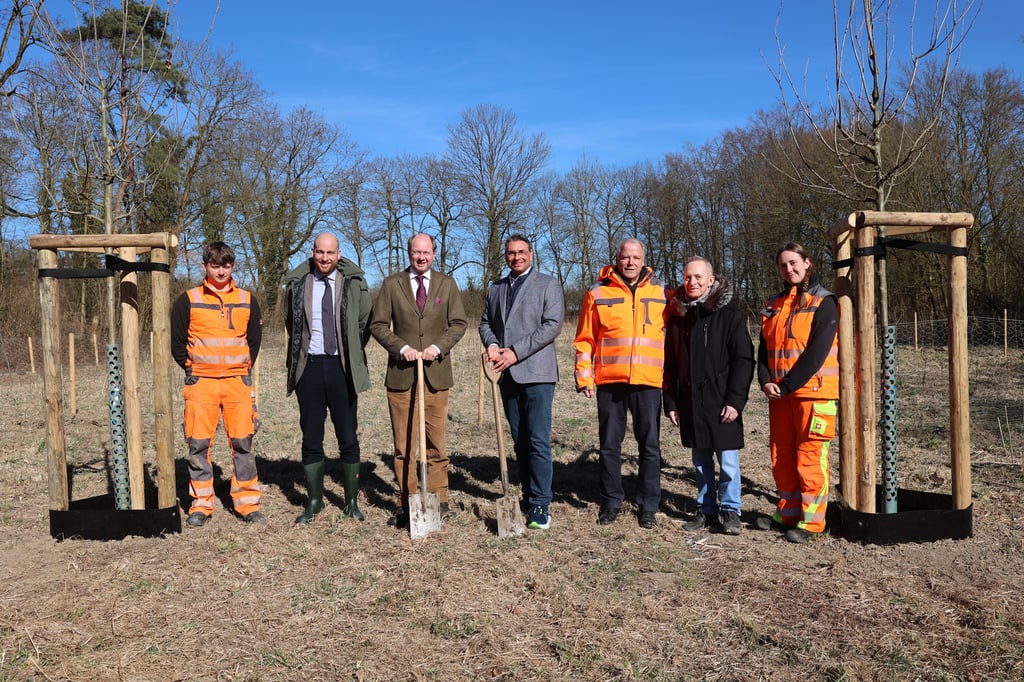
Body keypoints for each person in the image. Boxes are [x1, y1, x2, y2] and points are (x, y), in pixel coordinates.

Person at [370, 233, 468, 527]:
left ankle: (440, 499)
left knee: (436, 443)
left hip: (436, 374)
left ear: (434, 254)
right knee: (404, 446)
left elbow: (459, 323)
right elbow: (377, 324)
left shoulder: (447, 285)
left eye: (426, 252)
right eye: (416, 252)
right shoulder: (391, 285)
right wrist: (402, 348)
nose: (421, 257)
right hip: (402, 375)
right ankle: (406, 502)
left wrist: (437, 348)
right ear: (409, 253)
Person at [574, 238, 668, 529]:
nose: (630, 262)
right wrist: (584, 376)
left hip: (648, 382)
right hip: (610, 382)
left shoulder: (663, 292)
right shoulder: (597, 292)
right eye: (625, 257)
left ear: (644, 259)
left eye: (636, 257)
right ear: (617, 258)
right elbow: (585, 339)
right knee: (610, 446)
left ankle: (648, 505)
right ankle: (611, 501)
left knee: (650, 447)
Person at [171, 241, 265, 527]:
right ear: (205, 267)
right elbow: (176, 344)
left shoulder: (248, 300)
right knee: (198, 445)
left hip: (237, 382)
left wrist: (239, 367)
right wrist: (194, 368)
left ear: (232, 266)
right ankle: (201, 504)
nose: (221, 271)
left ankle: (248, 504)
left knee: (243, 444)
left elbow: (254, 342)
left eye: (226, 265)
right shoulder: (188, 299)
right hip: (201, 384)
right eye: (215, 265)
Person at [283, 232, 372, 524]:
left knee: (348, 435)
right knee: (311, 437)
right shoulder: (298, 283)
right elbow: (290, 321)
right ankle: (315, 501)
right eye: (320, 252)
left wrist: (350, 354)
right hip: (308, 368)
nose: (325, 258)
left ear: (339, 253)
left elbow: (364, 323)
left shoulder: (355, 284)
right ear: (312, 252)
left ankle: (351, 502)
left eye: (330, 253)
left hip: (341, 368)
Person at [479, 234, 565, 530]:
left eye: (521, 252)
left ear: (531, 253)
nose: (516, 257)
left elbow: (553, 325)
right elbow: (485, 322)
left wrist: (515, 352)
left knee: (538, 439)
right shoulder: (497, 288)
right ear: (506, 257)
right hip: (506, 374)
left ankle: (541, 503)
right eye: (511, 253)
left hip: (537, 373)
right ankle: (528, 494)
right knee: (519, 439)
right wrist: (491, 344)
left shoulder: (547, 284)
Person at [663, 256, 754, 535]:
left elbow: (744, 360)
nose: (692, 282)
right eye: (688, 277)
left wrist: (735, 401)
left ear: (711, 281)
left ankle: (730, 511)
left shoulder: (730, 317)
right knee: (701, 462)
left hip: (722, 402)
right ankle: (705, 508)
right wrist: (671, 402)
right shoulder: (679, 320)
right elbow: (670, 365)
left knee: (727, 462)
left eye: (699, 277)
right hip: (691, 403)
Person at [757, 242, 839, 544]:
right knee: (781, 456)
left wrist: (787, 385)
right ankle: (788, 511)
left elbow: (817, 353)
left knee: (810, 456)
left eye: (794, 263)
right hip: (779, 396)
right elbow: (764, 348)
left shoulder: (825, 302)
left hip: (813, 394)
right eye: (783, 265)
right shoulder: (774, 303)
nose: (789, 269)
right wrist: (765, 380)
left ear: (807, 263)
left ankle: (813, 522)